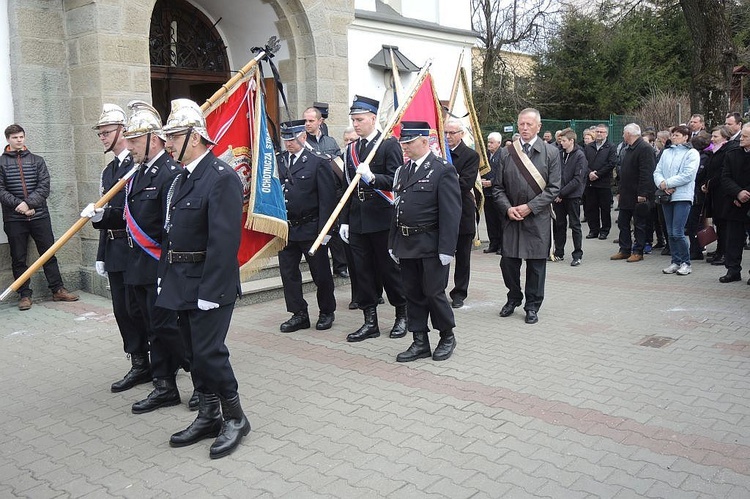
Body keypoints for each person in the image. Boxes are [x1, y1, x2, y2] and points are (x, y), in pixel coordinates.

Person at [157, 98, 250, 459]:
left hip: (210, 282)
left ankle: (235, 417)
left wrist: (211, 289)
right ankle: (209, 413)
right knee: (192, 352)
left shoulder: (221, 178)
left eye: (173, 136)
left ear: (194, 137)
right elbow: (171, 233)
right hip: (181, 278)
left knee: (210, 353)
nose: (167, 143)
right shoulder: (182, 177)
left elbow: (224, 241)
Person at [121, 101, 192, 414]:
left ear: (154, 139)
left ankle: (201, 377)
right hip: (137, 265)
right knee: (152, 328)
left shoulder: (170, 174)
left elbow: (170, 227)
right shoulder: (138, 173)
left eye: (134, 141)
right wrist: (102, 217)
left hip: (159, 264)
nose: (129, 146)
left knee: (167, 328)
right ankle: (165, 387)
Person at [83, 104, 150, 393]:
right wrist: (100, 254)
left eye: (106, 132)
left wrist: (103, 216)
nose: (102, 137)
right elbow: (107, 209)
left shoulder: (136, 166)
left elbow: (128, 211)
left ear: (123, 130)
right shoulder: (109, 170)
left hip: (135, 247)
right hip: (114, 249)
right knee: (123, 311)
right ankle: (138, 362)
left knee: (142, 311)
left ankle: (162, 361)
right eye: (99, 133)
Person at [389, 122, 461, 362]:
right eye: (403, 143)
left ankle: (447, 336)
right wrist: (393, 242)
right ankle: (419, 340)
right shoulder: (403, 171)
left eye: (409, 143)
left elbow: (451, 213)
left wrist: (447, 248)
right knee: (413, 294)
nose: (405, 148)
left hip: (431, 243)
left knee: (433, 293)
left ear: (424, 141)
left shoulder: (442, 170)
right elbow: (397, 209)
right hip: (407, 243)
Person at [339, 95, 407, 342]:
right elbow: (347, 189)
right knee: (363, 272)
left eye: (359, 119)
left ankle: (402, 315)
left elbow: (397, 181)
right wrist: (345, 220)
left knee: (390, 270)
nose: (356, 124)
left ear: (372, 118)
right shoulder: (351, 150)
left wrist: (373, 178)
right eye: (353, 120)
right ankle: (370, 322)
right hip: (358, 220)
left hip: (382, 218)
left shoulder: (388, 145)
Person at [492, 108, 560, 324]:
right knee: (508, 263)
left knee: (536, 266)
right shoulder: (506, 153)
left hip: (537, 218)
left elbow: (554, 188)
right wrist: (507, 208)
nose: (524, 128)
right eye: (521, 124)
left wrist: (530, 207)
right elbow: (497, 188)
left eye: (529, 124)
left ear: (538, 127)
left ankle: (532, 305)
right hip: (512, 218)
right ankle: (514, 297)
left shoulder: (551, 153)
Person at [0, 124, 79, 310]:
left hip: (39, 215)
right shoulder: (1, 163)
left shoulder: (37, 160)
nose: (19, 140)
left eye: (21, 137)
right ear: (8, 140)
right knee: (18, 258)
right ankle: (24, 295)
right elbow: (1, 190)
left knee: (48, 253)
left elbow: (44, 185)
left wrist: (29, 204)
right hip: (14, 218)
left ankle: (57, 289)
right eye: (15, 138)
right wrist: (20, 206)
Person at [276, 119, 337, 333]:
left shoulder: (317, 162)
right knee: (289, 274)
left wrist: (326, 231)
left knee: (320, 273)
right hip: (287, 229)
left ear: (303, 136)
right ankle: (298, 313)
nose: (289, 143)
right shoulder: (279, 161)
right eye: (285, 139)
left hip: (311, 227)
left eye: (292, 139)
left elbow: (327, 199)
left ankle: (326, 311)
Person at [653, 125, 700, 276]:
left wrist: (668, 183)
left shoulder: (692, 153)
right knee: (670, 231)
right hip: (666, 195)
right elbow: (657, 171)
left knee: (678, 231)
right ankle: (675, 261)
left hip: (682, 196)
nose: (673, 138)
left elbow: (688, 175)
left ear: (686, 137)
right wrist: (662, 184)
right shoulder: (667, 152)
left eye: (677, 135)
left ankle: (686, 263)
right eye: (673, 135)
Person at [445, 119, 479, 309]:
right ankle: (438, 289)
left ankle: (459, 293)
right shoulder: (439, 153)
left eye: (452, 133)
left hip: (462, 213)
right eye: (446, 133)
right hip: (441, 213)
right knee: (440, 254)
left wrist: (445, 181)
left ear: (461, 134)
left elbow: (465, 184)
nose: (448, 137)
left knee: (463, 257)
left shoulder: (470, 155)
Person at [610, 123, 656, 263]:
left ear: (629, 134)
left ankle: (638, 251)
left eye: (624, 133)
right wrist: (619, 190)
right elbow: (623, 172)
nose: (623, 135)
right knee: (623, 222)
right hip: (626, 193)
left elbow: (647, 173)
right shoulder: (628, 149)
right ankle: (624, 249)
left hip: (638, 194)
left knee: (639, 224)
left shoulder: (645, 149)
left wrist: (642, 193)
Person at [718, 123, 750, 283]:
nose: (741, 139)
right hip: (734, 203)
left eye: (745, 137)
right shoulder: (732, 154)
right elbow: (725, 177)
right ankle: (733, 270)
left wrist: (746, 193)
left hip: (748, 203)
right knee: (733, 240)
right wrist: (737, 193)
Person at [552, 128, 587, 266]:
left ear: (571, 141)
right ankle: (559, 252)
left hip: (572, 196)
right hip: (558, 197)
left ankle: (577, 254)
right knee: (559, 224)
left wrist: (562, 193)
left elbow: (577, 179)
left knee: (575, 225)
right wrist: (556, 192)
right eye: (560, 141)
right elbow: (555, 174)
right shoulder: (559, 154)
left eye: (564, 141)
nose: (561, 143)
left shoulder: (579, 155)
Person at [702, 126, 734, 266]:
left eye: (716, 136)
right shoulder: (715, 151)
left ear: (725, 137)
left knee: (724, 225)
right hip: (714, 192)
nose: (712, 139)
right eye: (712, 136)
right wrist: (705, 184)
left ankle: (725, 253)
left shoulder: (727, 150)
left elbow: (722, 172)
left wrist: (710, 183)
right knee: (718, 224)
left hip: (723, 193)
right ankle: (719, 251)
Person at [584, 124, 617, 240]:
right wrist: (589, 173)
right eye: (597, 131)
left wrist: (597, 174)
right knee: (591, 207)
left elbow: (611, 163)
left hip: (603, 183)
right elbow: (584, 162)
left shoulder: (611, 147)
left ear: (606, 134)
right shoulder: (589, 147)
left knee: (605, 208)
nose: (599, 134)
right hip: (590, 183)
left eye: (602, 132)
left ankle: (604, 231)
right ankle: (593, 230)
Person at [482, 132, 503, 254]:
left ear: (499, 143)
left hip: (497, 191)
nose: (489, 144)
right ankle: (493, 243)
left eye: (491, 142)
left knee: (499, 219)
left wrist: (492, 182)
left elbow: (504, 173)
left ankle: (502, 245)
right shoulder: (485, 155)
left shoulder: (503, 154)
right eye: (488, 142)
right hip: (487, 193)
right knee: (490, 220)